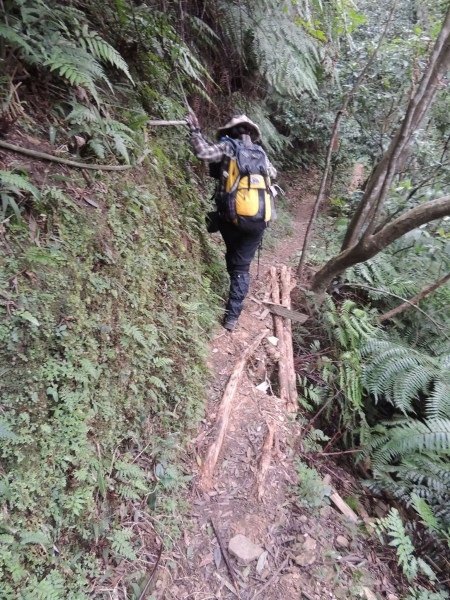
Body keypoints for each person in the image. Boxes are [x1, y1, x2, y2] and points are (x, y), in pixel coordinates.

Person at [185, 113, 277, 331]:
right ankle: (232, 316)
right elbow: (273, 174)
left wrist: (195, 132)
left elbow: (203, 153)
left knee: (234, 257)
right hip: (259, 220)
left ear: (230, 132)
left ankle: (233, 291)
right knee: (240, 265)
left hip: (232, 218)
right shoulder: (261, 153)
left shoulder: (229, 147)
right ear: (250, 133)